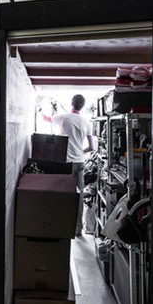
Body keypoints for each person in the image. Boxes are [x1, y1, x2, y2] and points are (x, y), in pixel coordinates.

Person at [39, 94, 95, 237]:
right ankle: (78, 230)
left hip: (67, 163)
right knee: (79, 196)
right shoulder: (86, 122)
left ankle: (61, 226)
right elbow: (91, 147)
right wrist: (80, 152)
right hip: (80, 162)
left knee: (63, 195)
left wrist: (39, 107)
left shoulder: (64, 117)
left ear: (71, 103)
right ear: (82, 106)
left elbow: (45, 119)